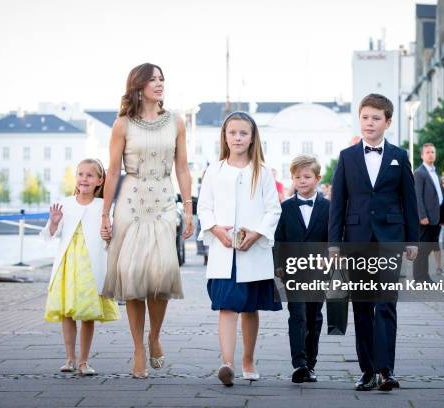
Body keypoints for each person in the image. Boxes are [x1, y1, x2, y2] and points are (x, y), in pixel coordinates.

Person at [101, 63, 194, 379]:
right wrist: (105, 214)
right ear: (138, 86)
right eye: (153, 79)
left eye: (161, 79)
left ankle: (155, 335)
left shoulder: (177, 122)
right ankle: (138, 348)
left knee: (160, 274)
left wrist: (190, 209)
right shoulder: (122, 125)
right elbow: (113, 171)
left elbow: (182, 168)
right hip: (130, 199)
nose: (159, 83)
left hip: (165, 200)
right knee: (132, 275)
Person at [329, 94, 418, 392]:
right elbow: (337, 203)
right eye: (365, 117)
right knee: (363, 307)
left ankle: (386, 370)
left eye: (376, 118)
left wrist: (412, 239)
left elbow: (409, 200)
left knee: (386, 305)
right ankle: (367, 370)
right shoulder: (347, 156)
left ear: (388, 122)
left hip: (390, 240)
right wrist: (334, 244)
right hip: (356, 241)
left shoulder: (400, 156)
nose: (370, 122)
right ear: (360, 119)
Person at [197, 111, 282, 387]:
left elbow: (273, 209)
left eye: (243, 133)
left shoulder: (262, 172)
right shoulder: (214, 170)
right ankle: (227, 363)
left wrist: (256, 234)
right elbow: (204, 207)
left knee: (249, 308)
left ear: (253, 137)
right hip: (224, 251)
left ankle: (248, 359)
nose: (237, 137)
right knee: (226, 306)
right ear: (224, 136)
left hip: (252, 250)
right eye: (232, 132)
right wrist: (216, 230)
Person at [41, 159, 119, 376]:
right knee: (67, 312)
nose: (84, 179)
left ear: (99, 180)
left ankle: (84, 361)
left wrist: (108, 235)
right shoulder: (65, 204)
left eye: (90, 175)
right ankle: (69, 359)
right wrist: (54, 222)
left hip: (90, 266)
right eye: (80, 174)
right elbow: (50, 235)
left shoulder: (103, 207)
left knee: (87, 313)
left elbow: (110, 237)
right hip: (68, 264)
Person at [274, 155, 330, 384]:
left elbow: (333, 238)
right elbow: (279, 238)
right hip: (293, 270)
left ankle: (311, 363)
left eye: (307, 177)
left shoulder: (328, 207)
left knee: (314, 317)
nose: (302, 181)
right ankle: (299, 364)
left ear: (317, 178)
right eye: (297, 177)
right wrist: (278, 264)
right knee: (297, 315)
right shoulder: (285, 208)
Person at [413, 143, 444, 282]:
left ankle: (424, 276)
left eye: (433, 152)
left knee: (428, 248)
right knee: (422, 250)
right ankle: (420, 278)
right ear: (422, 155)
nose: (431, 154)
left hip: (436, 218)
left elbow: (438, 196)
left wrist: (442, 216)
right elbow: (417, 196)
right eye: (428, 152)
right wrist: (422, 216)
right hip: (425, 218)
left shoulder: (435, 172)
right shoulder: (419, 172)